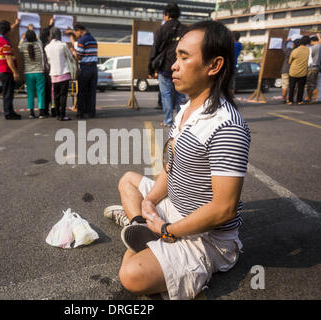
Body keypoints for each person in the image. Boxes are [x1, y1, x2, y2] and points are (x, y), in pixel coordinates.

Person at [104, 20, 250, 300]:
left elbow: (224, 209)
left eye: (184, 56)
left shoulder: (227, 126)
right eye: (176, 55)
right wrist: (150, 202)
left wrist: (168, 230)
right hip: (173, 208)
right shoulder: (187, 110)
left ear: (214, 65)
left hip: (206, 237)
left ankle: (173, 258)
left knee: (131, 275)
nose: (173, 64)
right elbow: (170, 169)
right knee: (128, 181)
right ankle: (139, 226)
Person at [148, 3, 188, 128]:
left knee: (166, 95)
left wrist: (150, 69)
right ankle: (181, 121)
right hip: (181, 67)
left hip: (164, 67)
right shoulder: (185, 29)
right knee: (180, 95)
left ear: (166, 15)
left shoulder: (161, 30)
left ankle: (168, 120)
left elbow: (154, 50)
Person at [0, 19, 21, 120]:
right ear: (8, 31)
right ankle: (8, 113)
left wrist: (15, 24)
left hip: (2, 70)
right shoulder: (5, 43)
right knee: (8, 93)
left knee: (7, 93)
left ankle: (10, 111)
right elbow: (8, 59)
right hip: (7, 71)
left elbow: (7, 31)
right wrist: (15, 72)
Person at [44, 28, 73, 121]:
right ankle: (63, 115)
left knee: (56, 96)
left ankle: (57, 115)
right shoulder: (63, 45)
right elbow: (70, 57)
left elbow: (48, 61)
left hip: (53, 74)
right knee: (63, 95)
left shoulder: (47, 47)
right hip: (64, 73)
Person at [19, 30, 46, 119]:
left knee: (30, 93)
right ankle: (41, 112)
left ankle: (31, 113)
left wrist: (22, 38)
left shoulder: (24, 46)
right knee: (40, 92)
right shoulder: (39, 45)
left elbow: (19, 47)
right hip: (39, 72)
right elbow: (40, 41)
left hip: (28, 73)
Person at [73, 24, 98, 119]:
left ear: (79, 30)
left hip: (85, 68)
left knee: (82, 92)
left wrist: (73, 51)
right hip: (94, 69)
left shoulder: (82, 40)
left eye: (75, 32)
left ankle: (81, 112)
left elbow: (79, 56)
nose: (76, 35)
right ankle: (91, 112)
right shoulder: (93, 39)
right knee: (91, 92)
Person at [288, 36, 310, 105]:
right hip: (303, 72)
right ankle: (299, 101)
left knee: (292, 87)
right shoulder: (309, 50)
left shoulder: (295, 51)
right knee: (301, 87)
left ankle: (290, 101)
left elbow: (289, 61)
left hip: (293, 72)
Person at [40, 18, 55, 117]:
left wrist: (50, 26)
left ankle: (45, 110)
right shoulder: (50, 45)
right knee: (52, 92)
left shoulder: (40, 44)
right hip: (51, 71)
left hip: (44, 71)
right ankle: (53, 110)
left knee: (46, 92)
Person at [307, 34, 321, 103]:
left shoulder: (312, 48)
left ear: (312, 41)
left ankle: (315, 98)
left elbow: (310, 58)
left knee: (314, 83)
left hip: (313, 66)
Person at [229, 31, 243, 97]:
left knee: (229, 84)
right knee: (231, 83)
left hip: (229, 66)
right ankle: (231, 98)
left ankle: (230, 98)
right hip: (234, 66)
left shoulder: (233, 45)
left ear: (233, 37)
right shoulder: (239, 45)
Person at [280, 38, 293, 103]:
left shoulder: (288, 51)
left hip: (285, 69)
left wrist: (286, 40)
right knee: (292, 85)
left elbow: (283, 46)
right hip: (293, 70)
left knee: (285, 85)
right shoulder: (296, 51)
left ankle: (284, 98)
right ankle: (290, 98)